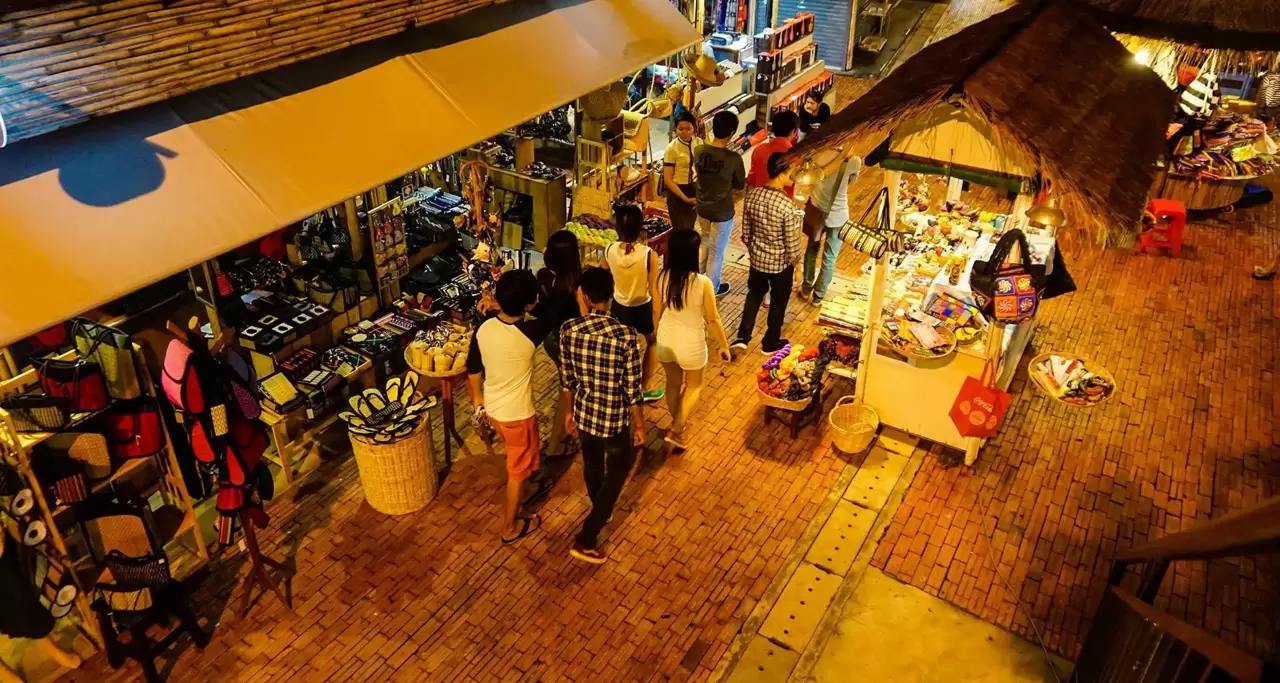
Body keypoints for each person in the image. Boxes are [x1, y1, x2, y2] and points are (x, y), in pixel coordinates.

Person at [559, 268, 645, 564]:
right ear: (611, 295)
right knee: (618, 471)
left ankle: (601, 509)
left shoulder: (569, 330)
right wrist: (640, 424)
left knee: (593, 464)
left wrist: (569, 411)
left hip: (584, 413)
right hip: (613, 418)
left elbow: (567, 379)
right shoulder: (627, 337)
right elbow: (632, 389)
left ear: (584, 295)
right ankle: (587, 536)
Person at [466, 270, 556, 543]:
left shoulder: (483, 328)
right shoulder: (531, 333)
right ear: (529, 303)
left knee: (521, 456)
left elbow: (472, 369)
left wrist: (478, 404)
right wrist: (515, 304)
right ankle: (509, 527)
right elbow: (553, 310)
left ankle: (528, 487)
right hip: (518, 415)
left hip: (493, 410)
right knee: (515, 471)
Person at [652, 230, 733, 450]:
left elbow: (656, 311)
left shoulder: (662, 277)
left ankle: (677, 424)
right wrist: (724, 345)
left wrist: (656, 334)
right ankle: (677, 429)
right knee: (694, 385)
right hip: (691, 343)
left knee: (673, 383)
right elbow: (713, 319)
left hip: (666, 338)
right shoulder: (703, 283)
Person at [732, 153, 803, 355]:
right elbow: (792, 244)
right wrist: (798, 266)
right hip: (780, 265)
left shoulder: (752, 195)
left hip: (757, 262)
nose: (794, 175)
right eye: (792, 171)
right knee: (779, 301)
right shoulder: (786, 206)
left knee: (754, 294)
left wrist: (756, 251)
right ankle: (770, 342)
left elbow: (746, 234)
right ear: (783, 171)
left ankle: (743, 337)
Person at [602, 204, 664, 402]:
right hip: (642, 307)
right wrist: (657, 316)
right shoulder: (648, 255)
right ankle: (645, 387)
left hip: (619, 307)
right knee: (652, 342)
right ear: (640, 228)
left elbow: (602, 274)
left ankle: (620, 385)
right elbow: (654, 289)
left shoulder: (609, 250)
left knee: (621, 348)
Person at [534, 230, 585, 457]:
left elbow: (539, 311)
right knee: (569, 390)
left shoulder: (543, 277)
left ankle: (565, 435)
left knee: (568, 386)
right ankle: (555, 446)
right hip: (570, 343)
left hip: (551, 339)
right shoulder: (576, 286)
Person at [694, 110, 747, 297]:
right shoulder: (733, 159)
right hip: (722, 211)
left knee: (705, 243)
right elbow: (740, 184)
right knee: (717, 252)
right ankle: (711, 290)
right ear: (732, 132)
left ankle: (698, 281)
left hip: (701, 207)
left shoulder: (698, 151)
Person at [801, 154, 862, 303]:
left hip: (816, 212)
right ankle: (818, 296)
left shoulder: (818, 153)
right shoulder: (853, 160)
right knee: (830, 257)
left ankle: (806, 288)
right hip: (838, 216)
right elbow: (852, 181)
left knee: (812, 250)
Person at [663, 111, 700, 232]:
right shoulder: (671, 149)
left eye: (688, 128)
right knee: (680, 229)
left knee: (690, 227)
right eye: (680, 129)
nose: (684, 132)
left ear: (694, 128)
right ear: (675, 129)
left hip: (693, 189)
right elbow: (668, 180)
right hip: (677, 193)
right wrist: (685, 199)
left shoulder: (699, 143)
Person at [747, 110, 798, 189]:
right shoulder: (795, 155)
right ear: (793, 132)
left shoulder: (759, 150)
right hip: (783, 198)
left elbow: (752, 179)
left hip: (759, 195)